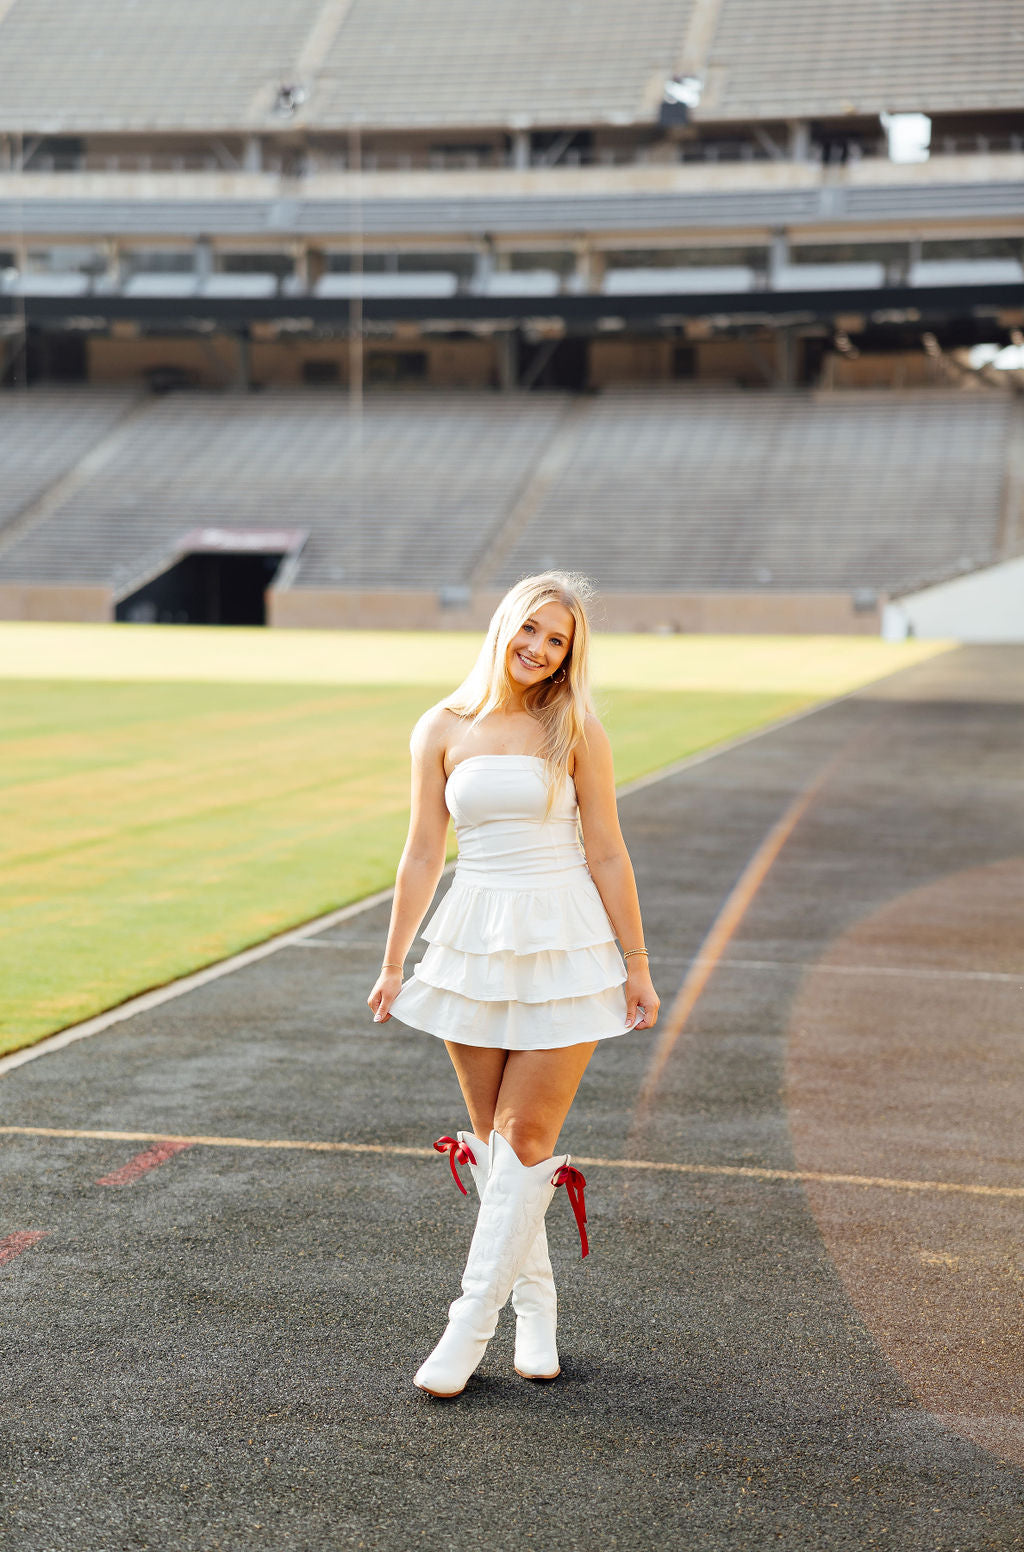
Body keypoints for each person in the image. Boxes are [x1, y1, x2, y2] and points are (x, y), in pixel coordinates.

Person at [367, 571, 660, 1397]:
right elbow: (424, 852)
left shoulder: (577, 730)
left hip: (564, 939)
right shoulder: (441, 726)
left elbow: (607, 849)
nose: (538, 649)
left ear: (570, 655)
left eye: (557, 640)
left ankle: (468, 1327)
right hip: (473, 940)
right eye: (530, 630)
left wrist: (636, 965)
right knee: (499, 1153)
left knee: (526, 1137)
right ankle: (537, 1309)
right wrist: (394, 963)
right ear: (504, 625)